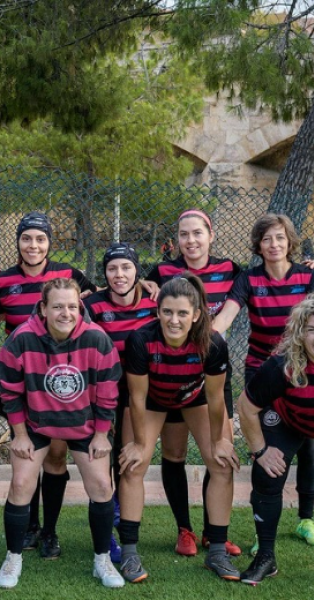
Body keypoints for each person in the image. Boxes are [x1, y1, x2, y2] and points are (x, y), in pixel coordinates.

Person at [0, 278, 123, 589]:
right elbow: (9, 392)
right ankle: (13, 557)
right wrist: (20, 435)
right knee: (21, 483)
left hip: (84, 426)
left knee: (103, 486)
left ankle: (101, 559)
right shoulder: (21, 339)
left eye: (72, 306)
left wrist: (101, 435)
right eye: (57, 307)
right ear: (43, 309)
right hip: (36, 424)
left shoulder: (97, 339)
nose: (66, 313)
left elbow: (108, 391)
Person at [118, 275, 240, 583]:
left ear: (196, 314)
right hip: (152, 401)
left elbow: (214, 397)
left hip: (195, 397)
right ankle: (130, 553)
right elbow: (137, 396)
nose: (174, 320)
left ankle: (216, 553)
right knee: (133, 466)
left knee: (222, 464)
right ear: (157, 311)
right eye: (167, 312)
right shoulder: (141, 340)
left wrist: (218, 441)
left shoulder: (212, 342)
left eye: (182, 313)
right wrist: (140, 445)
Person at [0, 211, 97, 559]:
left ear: (50, 242)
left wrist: (148, 286)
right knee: (28, 455)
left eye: (40, 238)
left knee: (55, 455)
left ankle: (50, 530)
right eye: (26, 238)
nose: (33, 245)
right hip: (26, 384)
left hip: (66, 384)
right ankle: (30, 527)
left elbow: (102, 300)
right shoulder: (3, 281)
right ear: (18, 242)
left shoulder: (69, 275)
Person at [212, 213, 314, 551]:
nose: (274, 244)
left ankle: (306, 519)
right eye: (267, 238)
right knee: (269, 451)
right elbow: (226, 316)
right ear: (258, 244)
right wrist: (203, 335)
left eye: (280, 238)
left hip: (303, 372)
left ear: (290, 242)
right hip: (263, 373)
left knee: (309, 444)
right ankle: (262, 534)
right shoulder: (248, 279)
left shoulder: (306, 276)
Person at [146, 209, 242, 557]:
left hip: (212, 375)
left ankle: (214, 532)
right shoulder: (161, 272)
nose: (191, 240)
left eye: (197, 233)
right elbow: (138, 291)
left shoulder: (230, 269)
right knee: (174, 454)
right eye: (184, 234)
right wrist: (146, 285)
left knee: (220, 452)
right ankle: (184, 529)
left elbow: (262, 278)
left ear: (210, 234)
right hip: (171, 377)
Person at [84, 242, 157, 561]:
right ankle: (106, 530)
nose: (119, 274)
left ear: (137, 270)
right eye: (112, 268)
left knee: (128, 461)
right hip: (103, 391)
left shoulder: (155, 301)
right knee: (102, 461)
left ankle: (122, 524)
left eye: (126, 267)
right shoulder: (95, 305)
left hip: (141, 392)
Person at [237, 298, 314, 584]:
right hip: (287, 420)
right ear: (299, 333)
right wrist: (260, 450)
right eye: (312, 330)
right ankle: (266, 557)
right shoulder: (282, 366)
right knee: (267, 474)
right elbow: (246, 406)